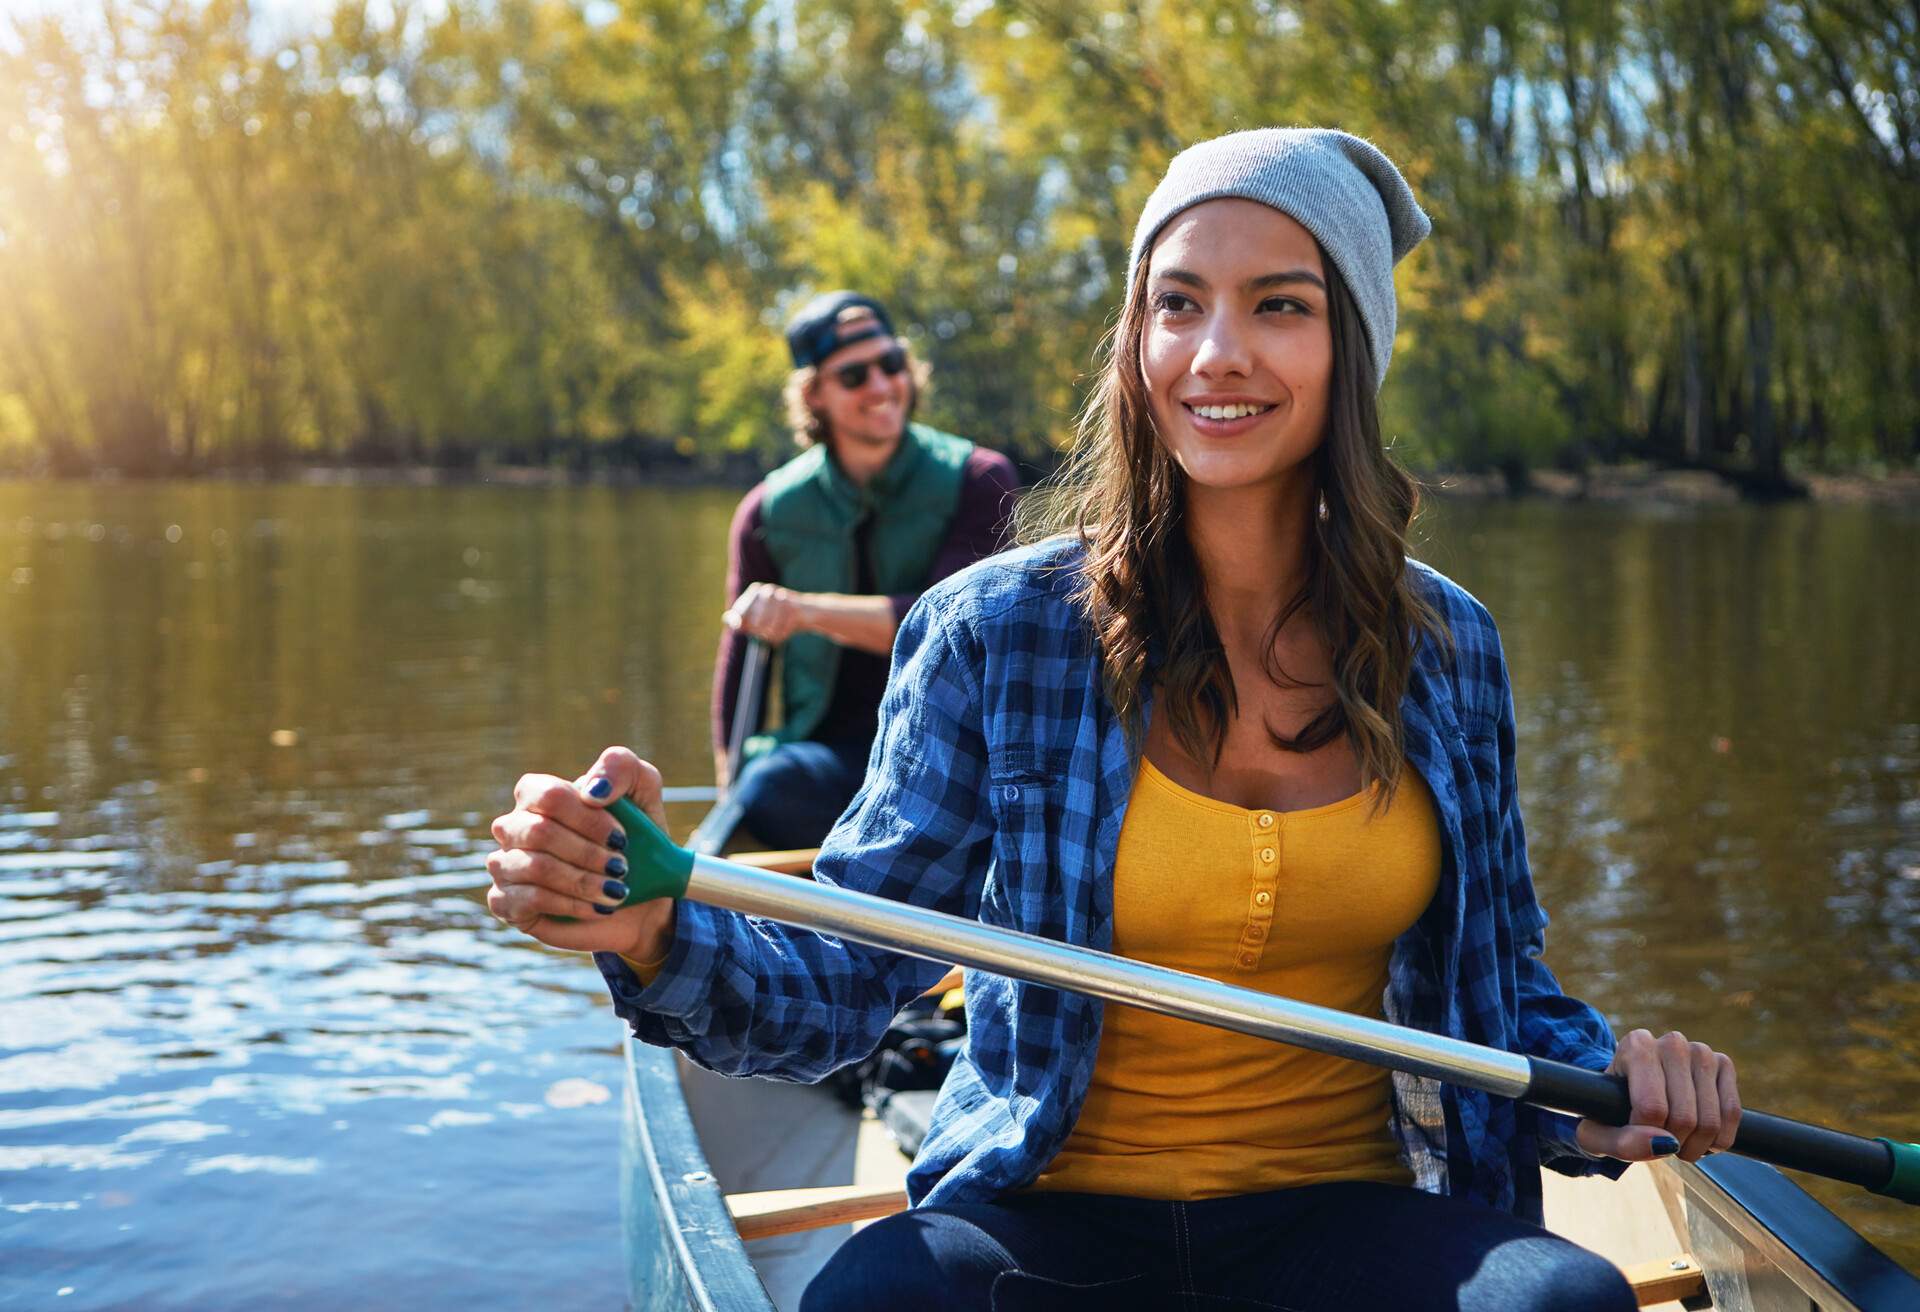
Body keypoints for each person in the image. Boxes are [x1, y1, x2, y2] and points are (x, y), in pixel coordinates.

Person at [486, 130, 1742, 1311]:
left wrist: (1608, 1091)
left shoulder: (1448, 646)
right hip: (1048, 1222)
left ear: (1353, 343)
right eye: (1179, 301)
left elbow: (1502, 992)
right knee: (875, 1295)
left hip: (1342, 1216)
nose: (1216, 354)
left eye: (1280, 304)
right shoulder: (998, 631)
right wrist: (656, 930)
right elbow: (852, 973)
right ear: (1137, 337)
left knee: (1569, 1297)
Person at [708, 290, 1019, 850]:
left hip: (953, 755)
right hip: (832, 762)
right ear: (815, 395)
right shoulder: (766, 511)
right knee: (767, 784)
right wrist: (727, 796)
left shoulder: (981, 480)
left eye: (891, 364)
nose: (881, 387)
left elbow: (944, 630)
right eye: (854, 376)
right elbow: (739, 667)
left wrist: (801, 611)